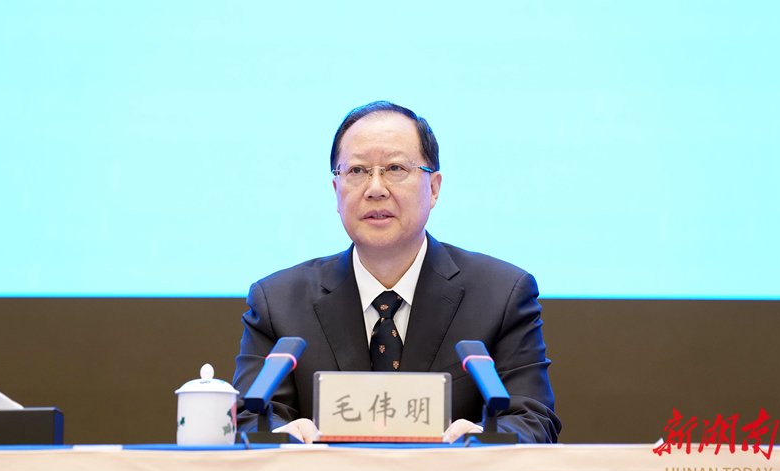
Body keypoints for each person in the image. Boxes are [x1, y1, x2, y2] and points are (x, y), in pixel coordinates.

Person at [232, 101, 561, 444]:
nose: (375, 188)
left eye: (394, 168)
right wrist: (281, 437)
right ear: (336, 190)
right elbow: (248, 420)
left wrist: (480, 441)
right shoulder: (278, 303)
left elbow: (532, 421)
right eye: (357, 171)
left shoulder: (501, 295)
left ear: (434, 188)